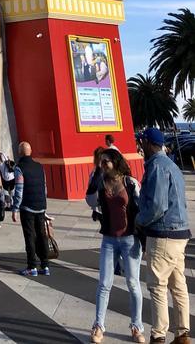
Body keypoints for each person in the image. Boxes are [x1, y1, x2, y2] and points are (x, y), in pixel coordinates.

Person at [136, 128, 191, 344]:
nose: (141, 147)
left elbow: (157, 205)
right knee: (178, 285)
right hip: (180, 232)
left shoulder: (157, 167)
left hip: (163, 234)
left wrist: (139, 220)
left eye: (142, 143)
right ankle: (183, 334)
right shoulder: (173, 166)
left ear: (150, 144)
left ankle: (158, 335)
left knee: (157, 285)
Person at [88, 149, 144, 344]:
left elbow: (141, 206)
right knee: (104, 284)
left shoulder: (130, 182)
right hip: (109, 240)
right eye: (101, 161)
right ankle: (98, 326)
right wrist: (96, 174)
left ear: (115, 162)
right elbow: (90, 201)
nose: (103, 164)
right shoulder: (100, 182)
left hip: (130, 239)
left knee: (133, 284)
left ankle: (137, 327)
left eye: (106, 162)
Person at [12, 141, 50, 277]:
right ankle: (45, 265)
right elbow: (44, 187)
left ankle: (32, 266)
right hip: (40, 206)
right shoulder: (39, 167)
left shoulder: (19, 168)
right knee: (42, 235)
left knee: (30, 236)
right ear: (31, 151)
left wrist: (15, 208)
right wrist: (44, 204)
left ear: (20, 152)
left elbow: (19, 190)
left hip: (27, 207)